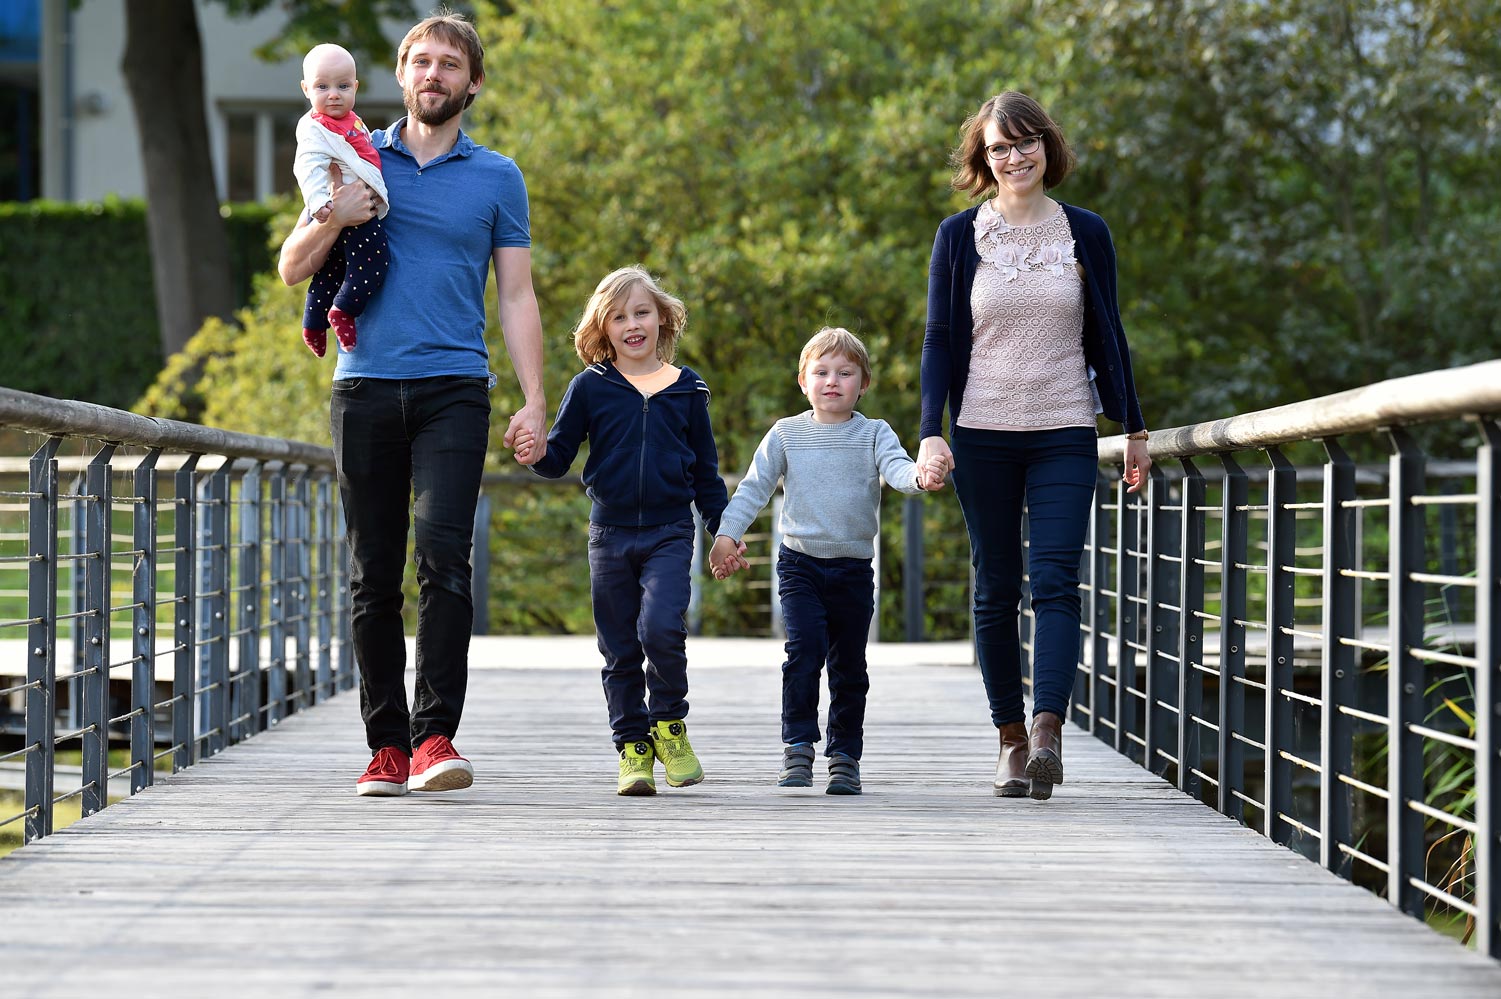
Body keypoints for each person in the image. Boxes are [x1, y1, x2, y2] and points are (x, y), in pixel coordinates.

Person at [277, 12, 547, 798]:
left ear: (473, 83)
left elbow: (518, 293)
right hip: (361, 387)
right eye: (420, 62)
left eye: (450, 65)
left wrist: (534, 400)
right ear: (399, 75)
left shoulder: (498, 176)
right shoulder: (352, 149)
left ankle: (434, 737)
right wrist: (340, 215)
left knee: (443, 557)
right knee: (371, 574)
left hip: (454, 389)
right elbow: (293, 267)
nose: (434, 74)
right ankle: (384, 746)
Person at [917, 91, 1151, 801]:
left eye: (1024, 143)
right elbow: (939, 341)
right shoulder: (957, 236)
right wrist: (930, 427)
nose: (1012, 157)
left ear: (1047, 146)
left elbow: (1107, 333)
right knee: (994, 588)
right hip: (981, 433)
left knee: (1054, 580)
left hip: (1063, 429)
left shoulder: (1086, 232)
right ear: (982, 159)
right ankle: (1010, 741)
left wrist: (1132, 427)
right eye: (998, 148)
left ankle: (1048, 730)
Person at [528, 266, 728, 797]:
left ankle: (670, 725)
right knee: (619, 647)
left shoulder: (688, 389)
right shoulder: (590, 388)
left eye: (641, 312)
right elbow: (559, 458)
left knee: (661, 628)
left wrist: (723, 531)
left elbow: (706, 473)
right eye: (618, 316)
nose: (631, 324)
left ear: (662, 318)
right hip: (609, 534)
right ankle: (633, 749)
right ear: (603, 327)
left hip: (668, 532)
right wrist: (535, 452)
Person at [709, 328, 935, 796]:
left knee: (849, 665)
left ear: (863, 383)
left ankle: (845, 755)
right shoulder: (786, 434)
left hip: (853, 568)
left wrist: (920, 474)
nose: (833, 381)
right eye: (822, 372)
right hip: (800, 566)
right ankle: (797, 746)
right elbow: (753, 488)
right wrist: (726, 535)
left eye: (845, 373)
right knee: (804, 652)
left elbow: (897, 470)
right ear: (803, 381)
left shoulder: (874, 433)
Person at [293, 42, 389, 358]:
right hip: (350, 206)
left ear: (355, 88)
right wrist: (321, 203)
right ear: (306, 89)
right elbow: (308, 165)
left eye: (343, 86)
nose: (333, 94)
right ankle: (344, 310)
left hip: (344, 205)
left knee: (333, 269)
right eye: (323, 86)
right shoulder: (315, 128)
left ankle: (313, 321)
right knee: (374, 262)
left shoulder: (351, 121)